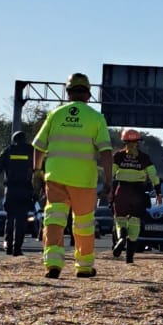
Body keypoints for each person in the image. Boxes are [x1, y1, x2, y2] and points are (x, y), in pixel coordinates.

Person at [33, 73, 113, 279]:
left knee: (54, 220)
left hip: (56, 177)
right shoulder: (96, 118)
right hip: (83, 181)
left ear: (68, 94)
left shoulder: (55, 115)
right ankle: (84, 267)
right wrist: (109, 180)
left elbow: (39, 146)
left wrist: (37, 171)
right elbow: (105, 151)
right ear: (88, 94)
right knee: (84, 224)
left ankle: (52, 264)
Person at [110, 128, 162, 265]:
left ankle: (121, 238)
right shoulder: (144, 158)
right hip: (138, 193)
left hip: (121, 191)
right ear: (138, 142)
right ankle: (129, 257)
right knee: (134, 223)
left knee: (119, 219)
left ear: (124, 141)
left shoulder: (118, 156)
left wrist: (108, 190)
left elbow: (110, 174)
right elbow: (154, 177)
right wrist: (158, 193)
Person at [0, 132, 38, 256]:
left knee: (10, 218)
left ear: (13, 139)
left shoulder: (8, 151)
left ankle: (8, 245)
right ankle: (17, 248)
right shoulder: (32, 151)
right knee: (21, 220)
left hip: (11, 191)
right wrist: (42, 188)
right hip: (25, 191)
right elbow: (40, 170)